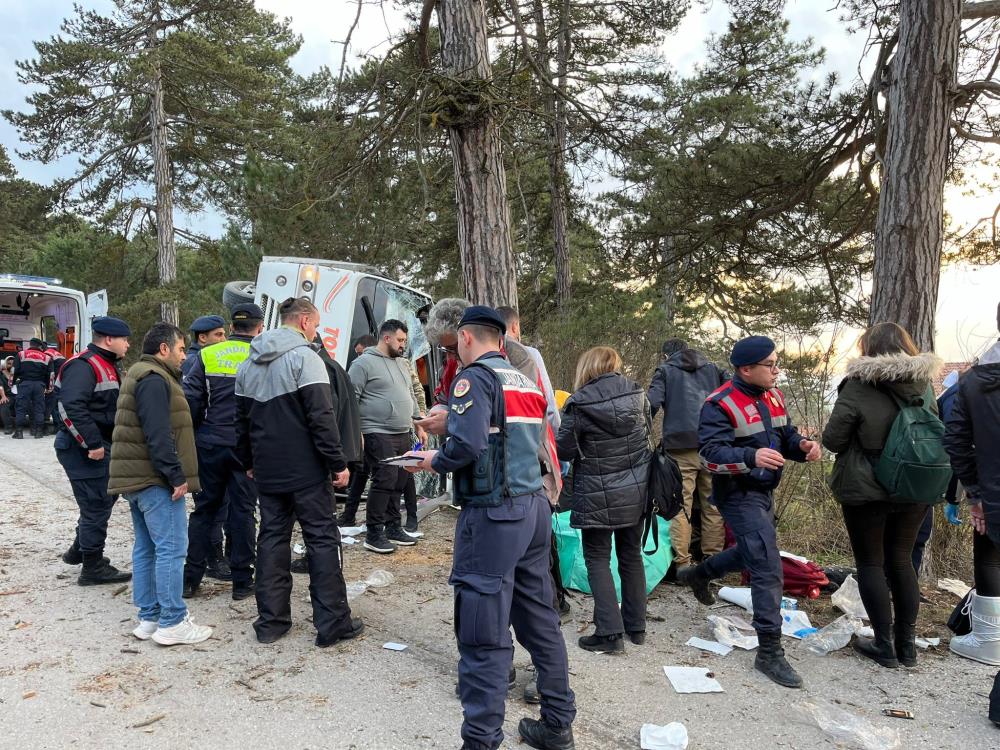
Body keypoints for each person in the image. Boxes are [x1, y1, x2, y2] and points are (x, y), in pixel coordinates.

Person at [406, 306, 576, 750]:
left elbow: (468, 445)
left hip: (493, 515)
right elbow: (527, 434)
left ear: (464, 338)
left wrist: (431, 459)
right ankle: (558, 723)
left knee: (482, 633)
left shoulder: (473, 378)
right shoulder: (522, 378)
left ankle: (480, 742)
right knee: (540, 619)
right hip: (534, 507)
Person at [677, 335, 821, 688]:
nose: (777, 370)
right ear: (746, 369)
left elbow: (784, 435)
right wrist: (749, 457)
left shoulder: (772, 395)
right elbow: (709, 454)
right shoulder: (719, 404)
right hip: (737, 493)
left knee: (751, 551)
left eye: (776, 363)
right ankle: (770, 651)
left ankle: (699, 574)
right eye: (770, 365)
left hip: (764, 490)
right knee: (767, 563)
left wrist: (801, 446)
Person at [235, 297, 362, 647]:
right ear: (305, 321)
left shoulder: (248, 364)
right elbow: (321, 418)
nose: (316, 331)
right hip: (306, 470)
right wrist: (338, 463)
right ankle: (333, 622)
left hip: (267, 469)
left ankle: (271, 622)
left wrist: (247, 461)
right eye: (316, 324)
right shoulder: (306, 358)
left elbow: (240, 422)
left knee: (272, 539)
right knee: (322, 539)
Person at [822, 322, 942, 668]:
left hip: (867, 486)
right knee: (902, 561)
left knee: (871, 563)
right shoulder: (924, 384)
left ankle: (884, 645)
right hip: (915, 485)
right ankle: (908, 646)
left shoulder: (858, 386)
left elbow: (833, 440)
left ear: (868, 349)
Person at [108, 322, 212, 646]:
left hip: (139, 480)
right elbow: (157, 433)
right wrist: (176, 475)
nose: (184, 356)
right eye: (181, 349)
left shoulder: (140, 374)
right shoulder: (154, 379)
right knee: (171, 549)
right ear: (164, 349)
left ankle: (150, 617)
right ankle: (172, 621)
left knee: (147, 548)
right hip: (156, 481)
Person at [557, 346, 650, 654]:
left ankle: (610, 634)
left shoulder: (579, 402)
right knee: (631, 555)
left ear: (588, 368)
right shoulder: (638, 395)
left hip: (597, 492)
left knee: (597, 558)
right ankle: (636, 626)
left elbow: (563, 450)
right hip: (637, 488)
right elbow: (646, 436)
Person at [182, 303, 263, 601]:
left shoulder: (207, 355)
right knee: (243, 512)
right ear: (260, 328)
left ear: (231, 328)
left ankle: (190, 579)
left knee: (204, 511)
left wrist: (195, 437)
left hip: (210, 443)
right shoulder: (263, 356)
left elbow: (191, 402)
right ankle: (242, 582)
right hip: (247, 448)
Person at [944, 306, 1000, 694]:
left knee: (990, 554)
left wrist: (974, 494)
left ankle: (989, 641)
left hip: (994, 491)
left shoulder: (973, 381)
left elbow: (957, 440)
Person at [54, 316, 133, 586]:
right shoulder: (84, 365)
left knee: (102, 500)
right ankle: (92, 565)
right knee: (96, 504)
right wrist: (93, 444)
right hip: (84, 449)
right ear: (109, 340)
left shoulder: (106, 365)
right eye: (125, 340)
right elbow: (70, 407)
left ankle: (80, 548)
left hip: (101, 445)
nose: (128, 345)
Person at [647, 338, 727, 573]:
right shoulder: (714, 370)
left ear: (666, 356)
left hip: (680, 446)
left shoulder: (665, 370)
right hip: (713, 445)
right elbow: (733, 394)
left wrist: (641, 432)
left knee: (681, 505)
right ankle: (714, 563)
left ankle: (682, 563)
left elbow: (651, 403)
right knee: (713, 504)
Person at [348, 319, 424, 554]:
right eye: (400, 340)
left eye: (405, 341)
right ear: (387, 337)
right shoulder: (363, 364)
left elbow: (410, 394)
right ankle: (373, 532)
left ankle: (393, 526)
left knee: (401, 479)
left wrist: (419, 424)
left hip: (402, 431)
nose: (403, 345)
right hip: (375, 430)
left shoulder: (402, 363)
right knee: (385, 477)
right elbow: (352, 399)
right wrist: (357, 432)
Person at [292, 333, 364, 574]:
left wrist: (334, 459)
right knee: (324, 516)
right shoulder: (334, 366)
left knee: (319, 519)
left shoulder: (319, 368)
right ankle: (325, 563)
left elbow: (325, 418)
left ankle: (322, 564)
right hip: (335, 450)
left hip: (321, 455)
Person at [12, 337, 50, 439]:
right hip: (39, 385)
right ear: (40, 346)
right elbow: (51, 375)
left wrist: (11, 383)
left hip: (25, 384)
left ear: (30, 344)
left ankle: (19, 432)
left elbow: (14, 370)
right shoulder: (46, 357)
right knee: (39, 408)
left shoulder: (21, 354)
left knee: (21, 408)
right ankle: (39, 432)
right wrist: (48, 387)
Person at [44, 344, 66, 435]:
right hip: (63, 379)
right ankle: (60, 425)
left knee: (52, 404)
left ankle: (58, 427)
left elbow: (50, 372)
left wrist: (49, 387)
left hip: (55, 381)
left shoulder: (46, 354)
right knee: (58, 403)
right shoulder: (56, 353)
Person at [1, 356, 14, 434]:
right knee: (4, 403)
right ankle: (8, 427)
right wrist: (3, 396)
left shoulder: (18, 374)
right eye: (9, 364)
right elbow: (0, 386)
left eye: (13, 364)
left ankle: (35, 427)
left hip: (20, 396)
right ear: (5, 364)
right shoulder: (1, 374)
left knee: (30, 403)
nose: (11, 366)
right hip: (8, 396)